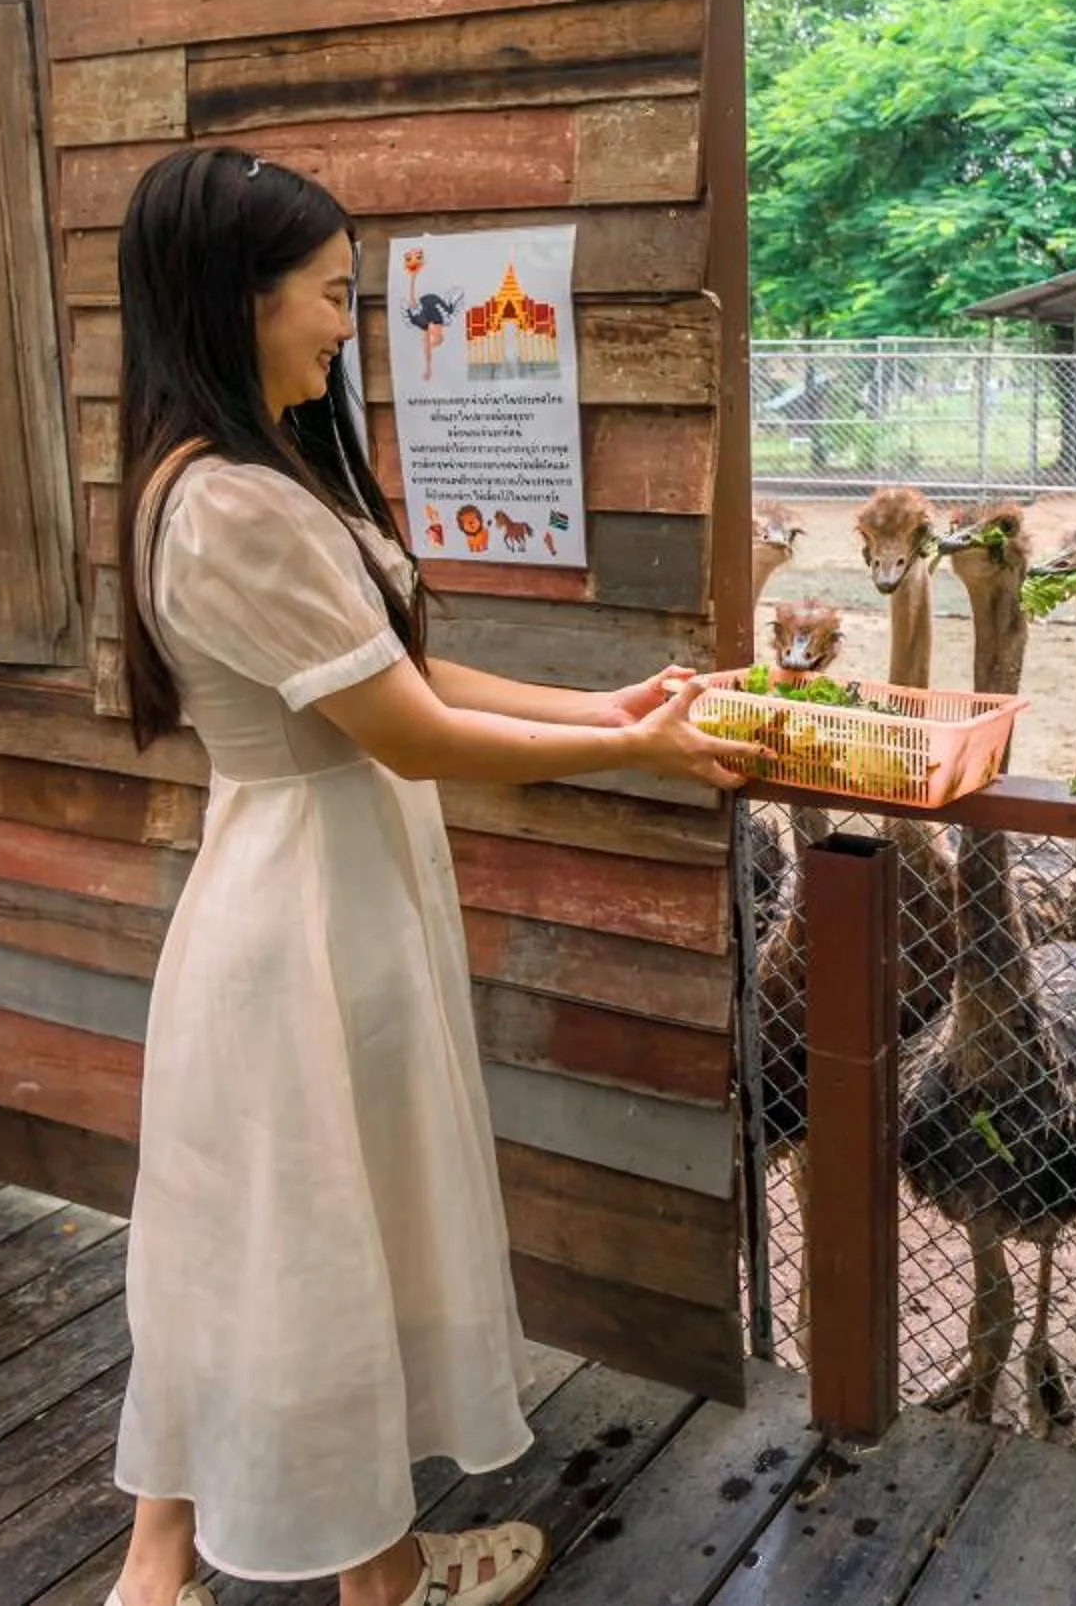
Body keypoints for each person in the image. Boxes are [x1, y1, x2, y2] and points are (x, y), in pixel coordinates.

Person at [104, 148, 755, 1606]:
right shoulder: (238, 508)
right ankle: (381, 1579)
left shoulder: (207, 477)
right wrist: (642, 758)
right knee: (333, 1226)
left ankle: (162, 1562)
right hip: (316, 908)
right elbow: (406, 729)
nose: (350, 323)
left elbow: (392, 669)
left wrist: (608, 709)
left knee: (241, 1220)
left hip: (282, 881)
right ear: (240, 294)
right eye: (333, 294)